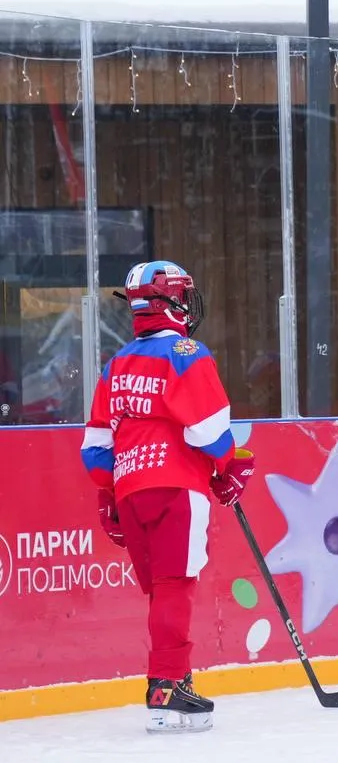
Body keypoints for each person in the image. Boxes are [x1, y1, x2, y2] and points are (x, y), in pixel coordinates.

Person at [80, 260, 254, 734]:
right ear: (171, 301)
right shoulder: (186, 351)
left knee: (162, 590)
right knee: (177, 585)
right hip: (177, 487)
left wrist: (111, 491)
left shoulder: (116, 364)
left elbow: (95, 449)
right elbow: (210, 430)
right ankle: (167, 684)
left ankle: (175, 676)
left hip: (132, 490)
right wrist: (228, 465)